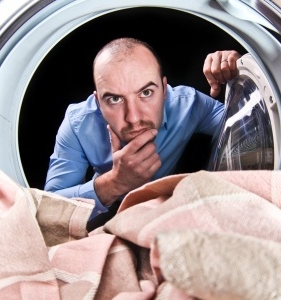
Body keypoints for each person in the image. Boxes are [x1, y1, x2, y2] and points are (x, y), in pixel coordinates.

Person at [44, 37, 241, 224]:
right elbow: (49, 211)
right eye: (114, 99)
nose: (134, 117)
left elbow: (249, 125)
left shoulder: (189, 104)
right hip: (106, 217)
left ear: (164, 90)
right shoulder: (77, 123)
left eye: (146, 93)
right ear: (97, 102)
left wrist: (238, 74)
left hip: (174, 211)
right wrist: (115, 183)